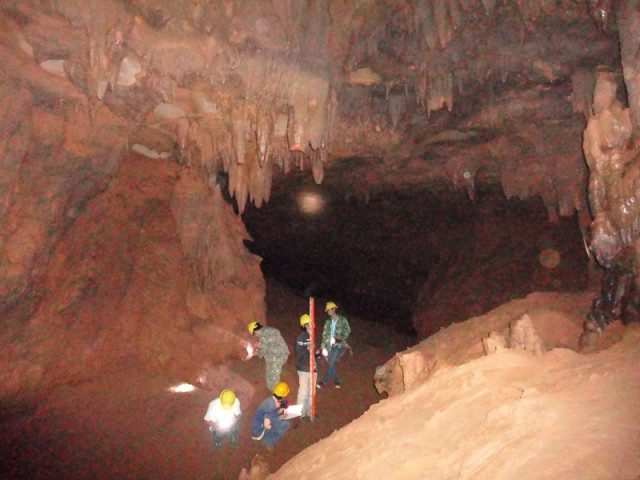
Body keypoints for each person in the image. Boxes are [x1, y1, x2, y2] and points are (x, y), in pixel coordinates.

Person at [247, 321, 290, 391]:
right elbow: (269, 345)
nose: (256, 336)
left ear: (254, 331)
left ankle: (276, 394)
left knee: (272, 380)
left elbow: (263, 351)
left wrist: (254, 353)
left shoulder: (263, 334)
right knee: (274, 376)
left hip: (276, 357)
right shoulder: (268, 329)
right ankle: (277, 391)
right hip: (282, 355)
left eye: (254, 334)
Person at [317, 301, 350, 389]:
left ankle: (323, 381)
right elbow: (324, 335)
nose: (328, 312)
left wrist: (340, 337)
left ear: (334, 309)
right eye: (327, 311)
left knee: (331, 363)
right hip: (328, 345)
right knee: (331, 363)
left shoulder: (343, 320)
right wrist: (322, 347)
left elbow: (347, 330)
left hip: (338, 345)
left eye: (329, 310)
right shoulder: (328, 322)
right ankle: (336, 380)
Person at [251, 381, 291, 449]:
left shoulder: (271, 400)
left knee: (284, 418)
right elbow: (267, 424)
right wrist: (276, 425)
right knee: (286, 424)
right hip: (259, 430)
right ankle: (267, 441)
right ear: (283, 395)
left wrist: (281, 409)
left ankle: (269, 437)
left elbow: (274, 411)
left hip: (261, 422)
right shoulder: (270, 405)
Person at [294, 314, 319, 422]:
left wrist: (317, 353)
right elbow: (299, 355)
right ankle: (300, 414)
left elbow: (315, 354)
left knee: (312, 393)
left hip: (313, 369)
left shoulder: (314, 337)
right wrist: (307, 349)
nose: (312, 324)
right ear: (305, 325)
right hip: (304, 369)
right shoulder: (301, 338)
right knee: (303, 392)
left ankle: (310, 412)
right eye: (310, 322)